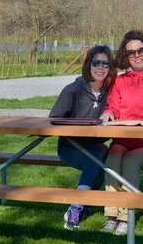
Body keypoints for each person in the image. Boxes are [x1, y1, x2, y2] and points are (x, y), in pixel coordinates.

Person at [99, 30, 143, 235]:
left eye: (141, 50)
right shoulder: (119, 82)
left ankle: (127, 215)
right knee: (112, 157)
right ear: (125, 56)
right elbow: (112, 106)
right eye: (131, 52)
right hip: (121, 141)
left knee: (130, 161)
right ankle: (112, 215)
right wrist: (109, 113)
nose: (137, 55)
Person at [49, 45, 117, 230]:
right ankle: (79, 206)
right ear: (89, 64)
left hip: (96, 147)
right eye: (96, 62)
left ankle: (78, 208)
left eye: (105, 63)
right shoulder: (73, 90)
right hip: (70, 148)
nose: (100, 67)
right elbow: (54, 118)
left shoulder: (112, 92)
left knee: (103, 155)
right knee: (100, 162)